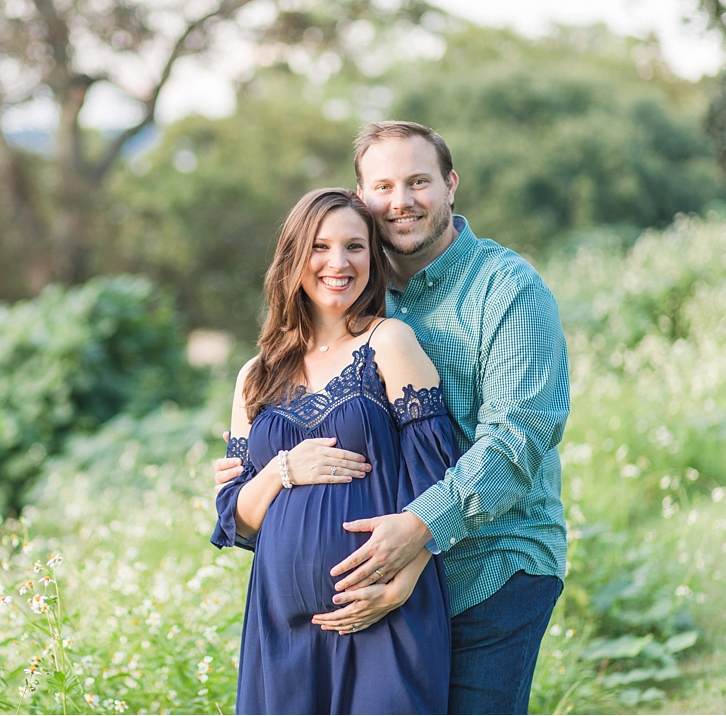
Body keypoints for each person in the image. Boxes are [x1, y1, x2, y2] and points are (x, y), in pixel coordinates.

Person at [215, 122, 571, 715]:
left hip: (493, 568)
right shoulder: (355, 293)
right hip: (358, 601)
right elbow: (245, 508)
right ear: (362, 197)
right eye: (383, 185)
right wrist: (269, 470)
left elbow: (519, 438)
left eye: (418, 181)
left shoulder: (506, 289)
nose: (401, 201)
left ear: (450, 185)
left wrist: (417, 540)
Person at [211, 187, 460, 714]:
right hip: (281, 628)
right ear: (294, 258)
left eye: (355, 246)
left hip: (383, 614)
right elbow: (237, 520)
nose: (338, 263)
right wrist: (283, 469)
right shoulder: (254, 377)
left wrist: (402, 582)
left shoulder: (390, 343)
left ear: (374, 256)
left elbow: (440, 486)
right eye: (320, 247)